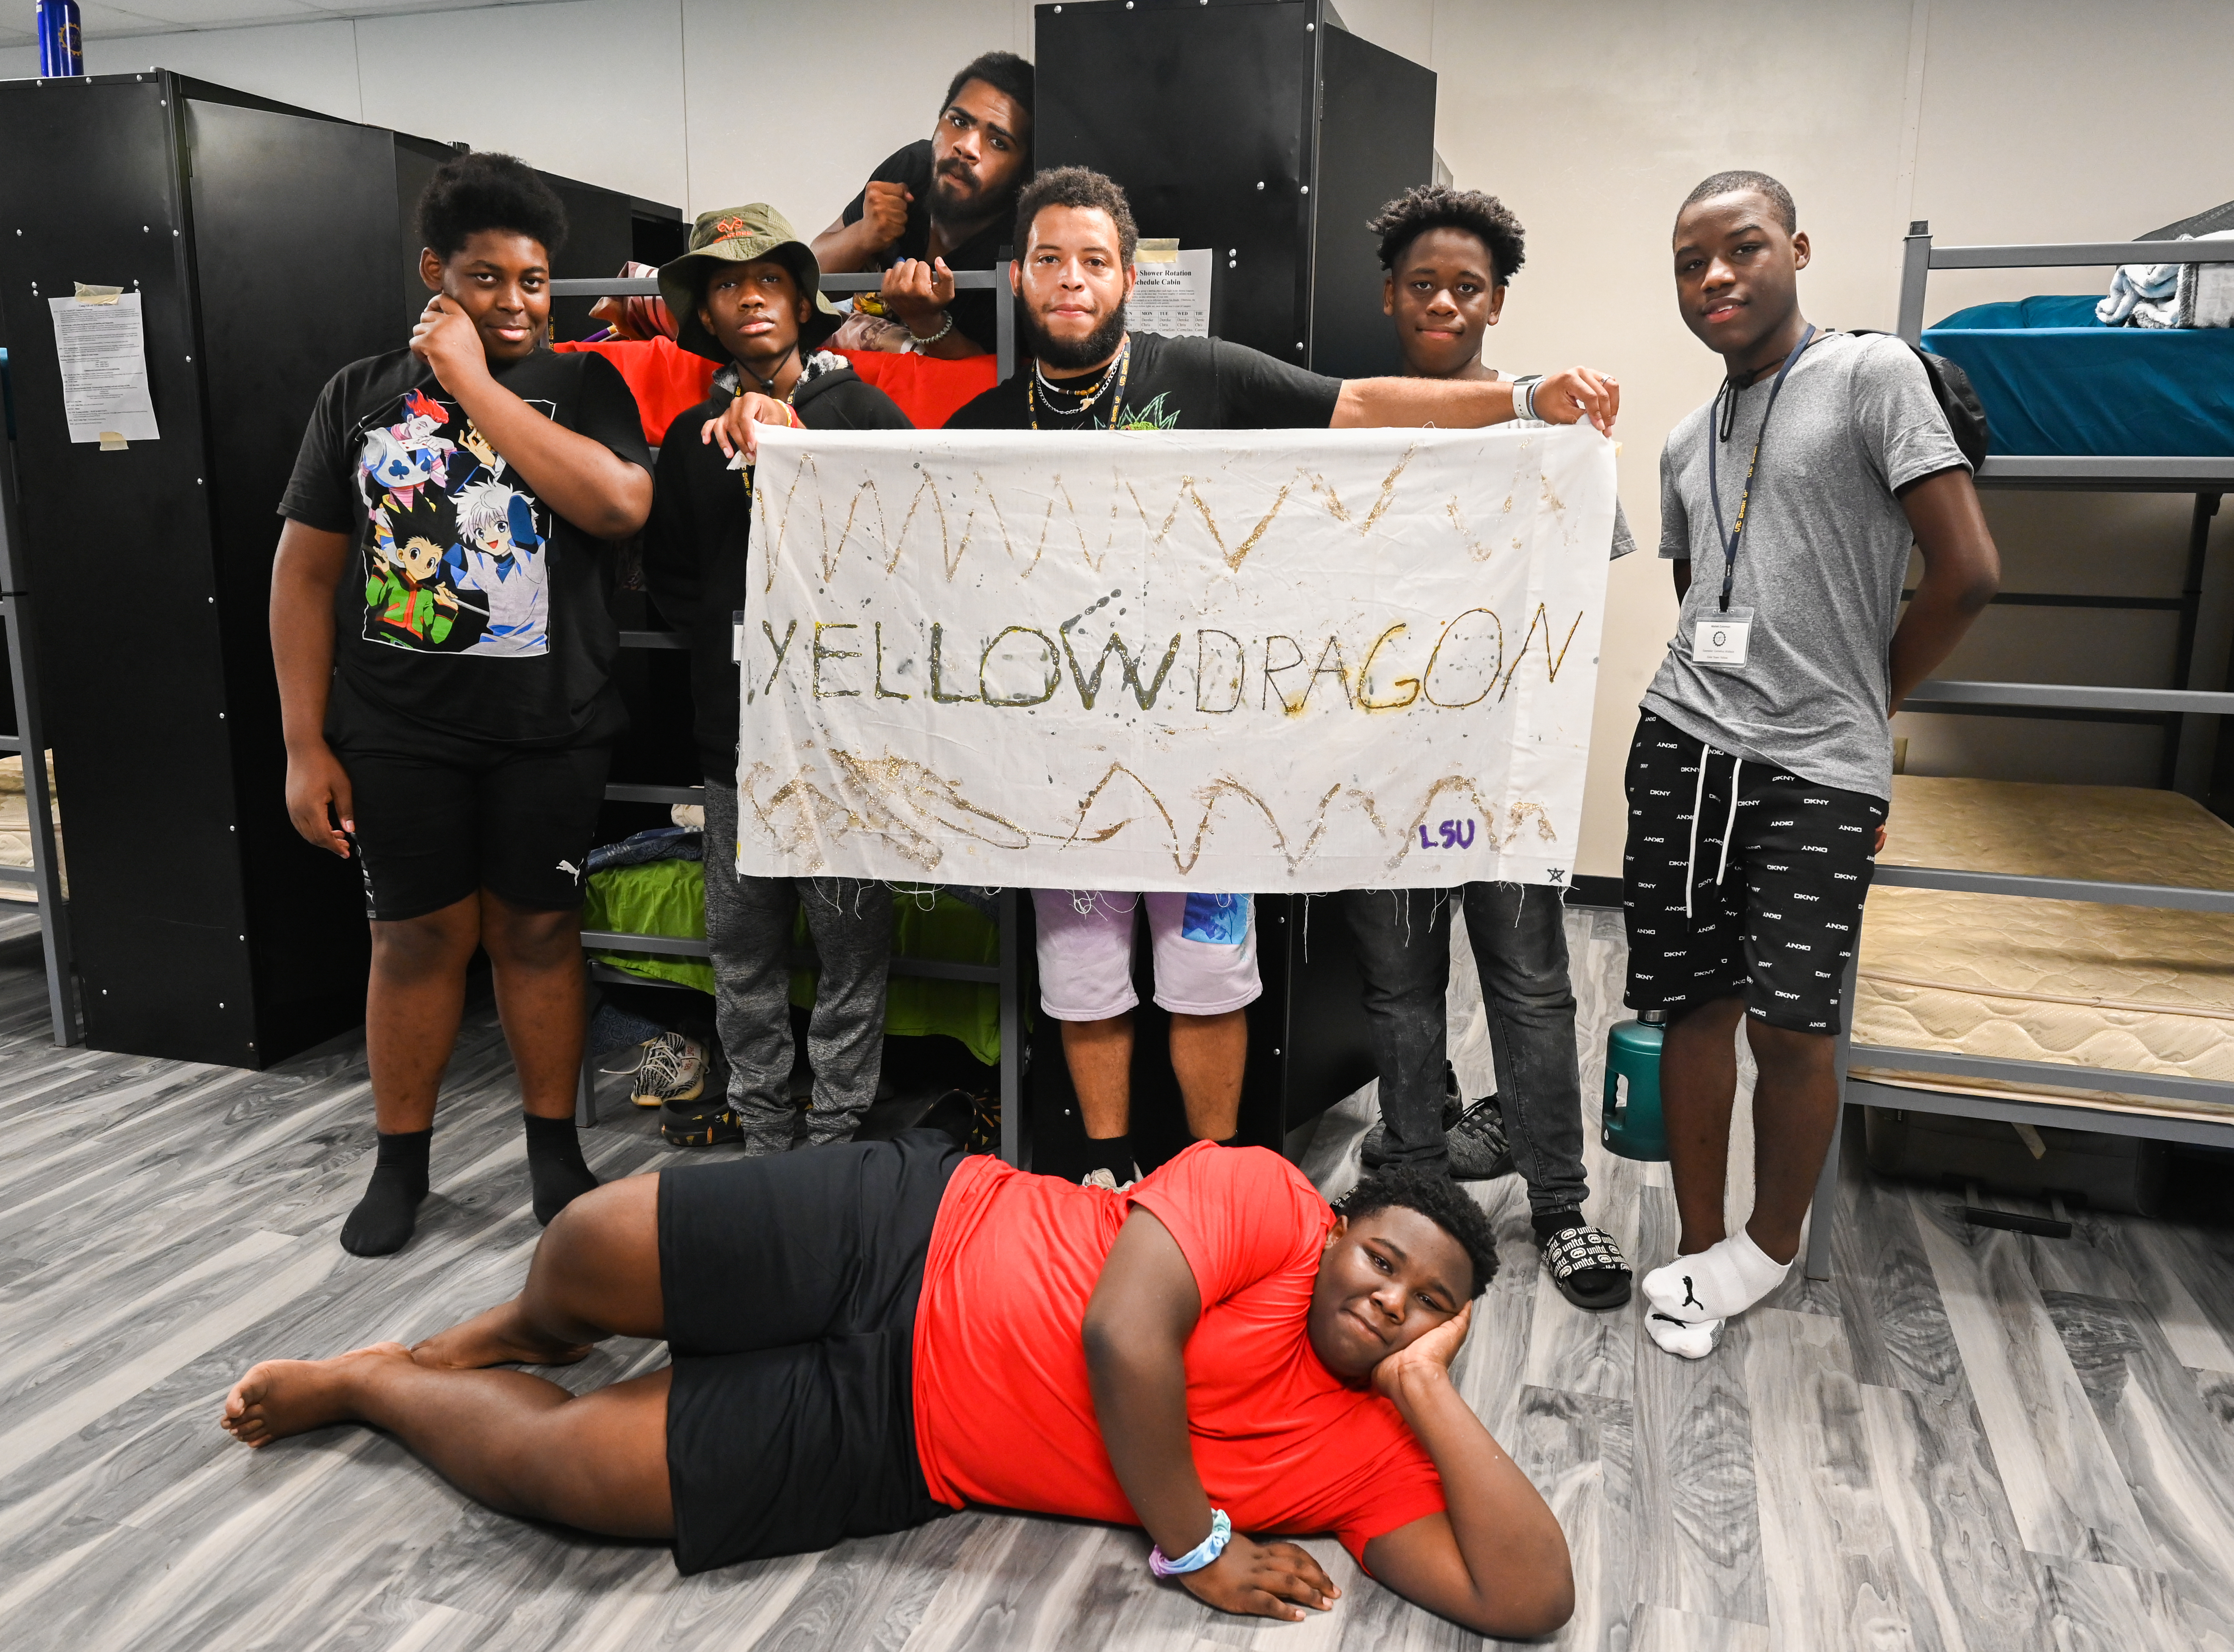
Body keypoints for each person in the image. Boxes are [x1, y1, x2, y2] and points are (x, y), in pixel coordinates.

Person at [937, 167, 1619, 1186]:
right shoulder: (979, 430)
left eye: (1092, 261)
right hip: (1060, 774)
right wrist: (778, 440)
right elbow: (890, 534)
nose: (1069, 280)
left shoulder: (1201, 373)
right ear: (1018, 276)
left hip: (1207, 762)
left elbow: (1359, 406)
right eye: (1048, 261)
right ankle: (1105, 1172)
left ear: (1126, 276)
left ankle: (1211, 1185)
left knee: (1208, 974)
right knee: (1080, 980)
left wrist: (1523, 398)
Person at [220, 1134, 1574, 1638]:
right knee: (585, 1247)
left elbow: (1528, 1598)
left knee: (569, 1480)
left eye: (1430, 1304)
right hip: (909, 1230)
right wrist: (1198, 1543)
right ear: (1340, 1229)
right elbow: (1121, 1333)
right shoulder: (1266, 1198)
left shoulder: (1370, 1456)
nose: (1390, 1296)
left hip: (897, 1439)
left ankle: (378, 1387)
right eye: (1384, 1259)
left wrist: (1427, 1396)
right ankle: (512, 1329)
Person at [1628, 171, 1999, 1357]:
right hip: (1682, 740)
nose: (1715, 278)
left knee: (1789, 1027)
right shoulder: (1688, 436)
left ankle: (1766, 1246)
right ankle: (1697, 1250)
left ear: (1794, 248)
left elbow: (1968, 571)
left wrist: (1867, 695)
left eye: (1740, 249)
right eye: (1690, 263)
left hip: (1816, 765)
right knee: (1688, 1001)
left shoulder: (1871, 376)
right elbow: (1698, 594)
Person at [272, 152, 653, 1257]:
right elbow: (300, 577)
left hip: (554, 723)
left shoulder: (583, 387)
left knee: (539, 931)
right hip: (398, 729)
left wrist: (475, 380)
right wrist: (305, 743)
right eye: (489, 280)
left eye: (535, 281)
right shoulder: (358, 395)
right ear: (437, 272)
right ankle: (404, 1163)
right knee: (414, 939)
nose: (519, 303)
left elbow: (620, 503)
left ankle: (552, 1154)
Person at [1338, 185, 1634, 1312]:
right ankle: (1414, 1176)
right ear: (1389, 295)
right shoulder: (1350, 425)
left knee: (1529, 980)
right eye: (1423, 284)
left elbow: (1584, 562)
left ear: (1496, 302)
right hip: (1378, 759)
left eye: (1467, 286)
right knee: (1398, 984)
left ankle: (1558, 1202)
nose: (1444, 302)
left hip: (1505, 763)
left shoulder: (1544, 434)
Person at [640, 205, 914, 1154]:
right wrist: (734, 649)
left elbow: (920, 554)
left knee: (851, 951)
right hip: (734, 749)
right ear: (705, 313)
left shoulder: (867, 418)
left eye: (768, 279)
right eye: (725, 283)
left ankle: (836, 1136)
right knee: (743, 950)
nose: (749, 295)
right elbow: (669, 576)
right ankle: (763, 1131)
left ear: (803, 299)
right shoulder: (685, 442)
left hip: (844, 748)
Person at [810, 50, 1034, 359]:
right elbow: (810, 285)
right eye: (958, 121)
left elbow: (991, 382)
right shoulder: (912, 168)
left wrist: (926, 321)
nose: (966, 146)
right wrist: (863, 235)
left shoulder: (1023, 244)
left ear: (1024, 173)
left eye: (998, 142)